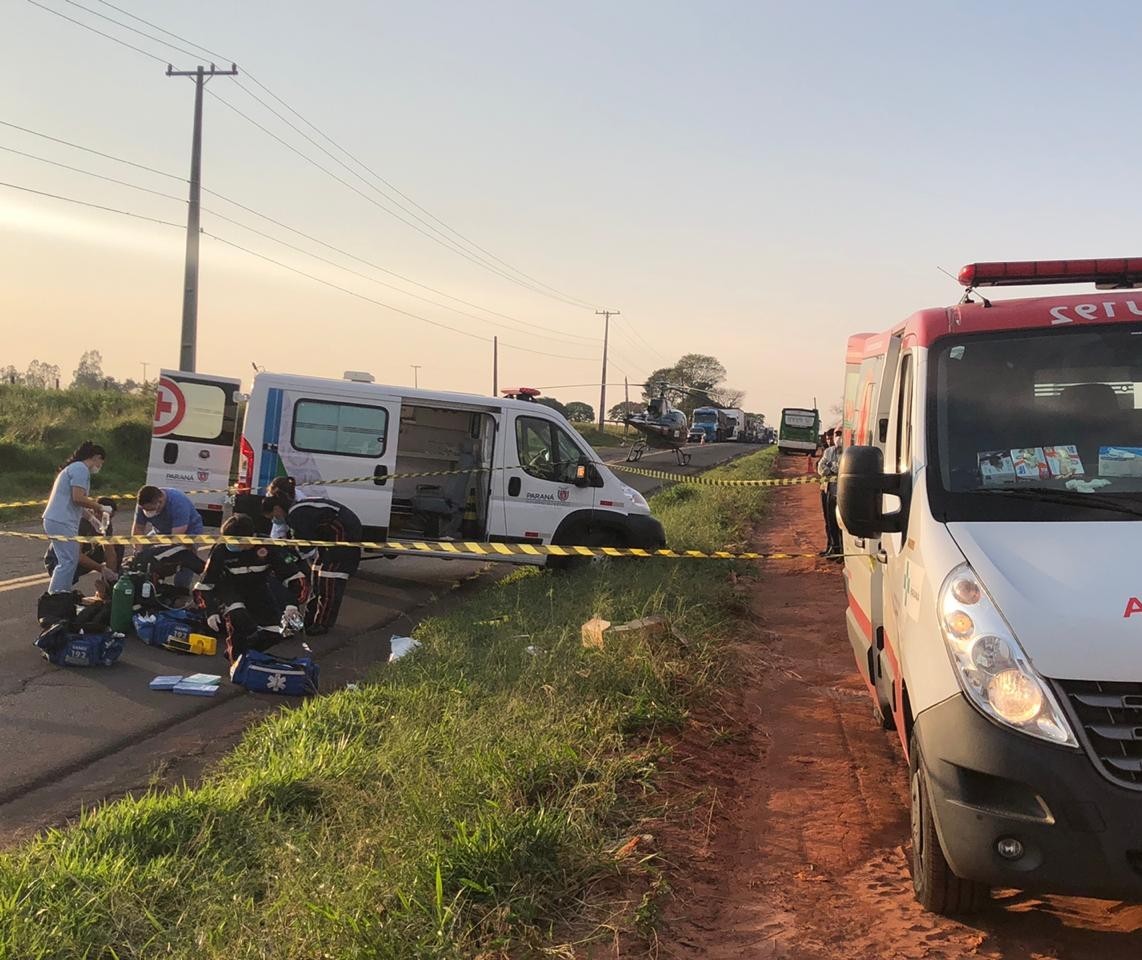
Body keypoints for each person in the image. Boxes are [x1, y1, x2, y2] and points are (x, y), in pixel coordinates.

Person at [193, 513, 311, 664]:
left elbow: (294, 577)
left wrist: (291, 604)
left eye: (236, 542)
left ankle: (243, 653)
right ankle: (236, 660)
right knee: (239, 617)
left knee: (277, 632)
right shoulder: (220, 550)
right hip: (229, 590)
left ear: (251, 538)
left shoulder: (267, 546)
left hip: (259, 589)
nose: (232, 545)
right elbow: (205, 584)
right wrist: (210, 611)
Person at [263, 486, 361, 636]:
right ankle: (310, 619)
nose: (274, 520)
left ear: (277, 508)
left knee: (330, 579)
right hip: (327, 536)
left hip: (342, 533)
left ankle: (322, 623)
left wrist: (289, 557)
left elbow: (304, 547)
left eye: (272, 516)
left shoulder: (296, 514)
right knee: (316, 575)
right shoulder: (296, 512)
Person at [41, 441, 110, 596]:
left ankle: (60, 594)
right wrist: (99, 507)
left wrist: (91, 518)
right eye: (101, 463)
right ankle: (58, 595)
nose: (100, 467)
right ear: (96, 457)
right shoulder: (80, 469)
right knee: (68, 562)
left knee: (67, 561)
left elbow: (76, 503)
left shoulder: (74, 468)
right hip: (61, 520)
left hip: (58, 519)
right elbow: (78, 498)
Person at [131, 485, 206, 593]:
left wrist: (159, 556)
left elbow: (174, 539)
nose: (147, 512)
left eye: (150, 509)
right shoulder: (142, 504)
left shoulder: (178, 502)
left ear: (160, 501)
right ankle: (150, 583)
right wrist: (138, 550)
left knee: (184, 556)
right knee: (143, 552)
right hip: (160, 531)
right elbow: (138, 528)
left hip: (187, 532)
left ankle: (182, 590)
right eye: (145, 509)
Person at [43, 496, 121, 599]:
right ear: (95, 512)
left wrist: (111, 574)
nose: (109, 521)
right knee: (70, 568)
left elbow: (110, 552)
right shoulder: (81, 522)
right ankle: (60, 596)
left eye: (111, 518)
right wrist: (101, 568)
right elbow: (77, 555)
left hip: (83, 554)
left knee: (118, 547)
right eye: (107, 517)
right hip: (59, 559)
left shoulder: (106, 523)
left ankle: (106, 590)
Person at [817, 430, 843, 560]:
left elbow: (841, 468)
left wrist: (831, 467)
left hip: (842, 493)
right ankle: (833, 548)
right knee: (830, 521)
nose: (838, 438)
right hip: (829, 491)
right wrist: (831, 469)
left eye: (840, 434)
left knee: (841, 523)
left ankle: (841, 551)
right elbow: (821, 467)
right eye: (836, 435)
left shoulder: (848, 452)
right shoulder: (828, 452)